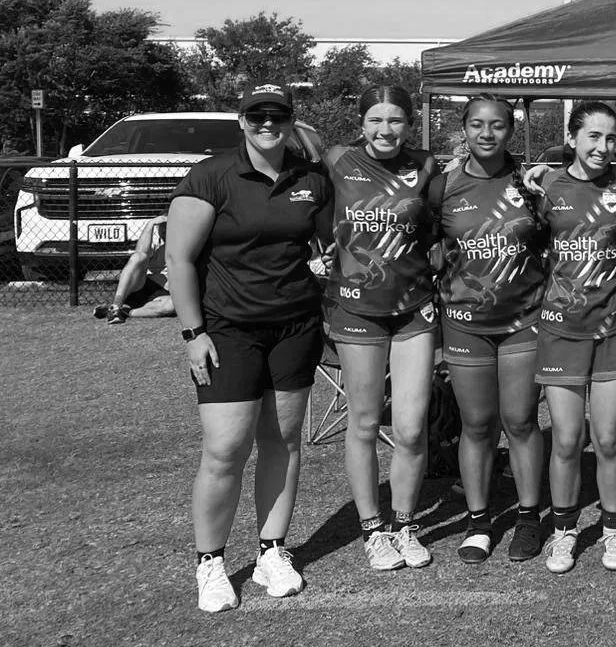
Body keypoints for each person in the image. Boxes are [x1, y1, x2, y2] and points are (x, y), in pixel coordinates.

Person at [166, 81, 333, 613]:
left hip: (295, 327)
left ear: (289, 121)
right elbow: (180, 261)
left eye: (278, 116)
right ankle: (210, 562)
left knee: (283, 440)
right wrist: (194, 334)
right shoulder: (211, 175)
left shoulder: (311, 179)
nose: (268, 124)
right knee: (225, 450)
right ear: (241, 121)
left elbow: (328, 242)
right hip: (228, 331)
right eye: (257, 115)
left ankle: (271, 551)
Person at [322, 86, 440, 571]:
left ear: (410, 125)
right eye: (375, 120)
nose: (385, 130)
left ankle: (405, 524)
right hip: (355, 309)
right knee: (365, 423)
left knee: (411, 428)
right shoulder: (337, 160)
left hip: (414, 309)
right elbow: (286, 139)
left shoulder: (429, 166)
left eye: (395, 120)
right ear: (361, 122)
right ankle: (372, 529)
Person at [427, 95, 548, 566]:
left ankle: (527, 517)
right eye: (477, 125)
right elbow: (424, 246)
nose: (486, 134)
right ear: (464, 129)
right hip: (465, 324)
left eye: (497, 126)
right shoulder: (443, 186)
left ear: (510, 132)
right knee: (476, 425)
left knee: (519, 421)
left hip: (523, 322)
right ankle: (479, 523)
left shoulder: (535, 185)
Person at [535, 101, 616, 574]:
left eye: (610, 138)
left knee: (607, 438)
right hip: (560, 329)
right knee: (566, 438)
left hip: (614, 328)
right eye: (594, 137)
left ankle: (613, 529)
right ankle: (563, 532)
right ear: (574, 137)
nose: (603, 147)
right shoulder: (546, 186)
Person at [94, 216, 174, 322]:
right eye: (161, 226)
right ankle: (117, 304)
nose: (164, 230)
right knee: (137, 257)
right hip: (144, 283)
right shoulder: (154, 240)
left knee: (172, 306)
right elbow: (140, 253)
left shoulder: (187, 241)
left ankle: (122, 311)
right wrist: (150, 224)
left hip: (166, 291)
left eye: (168, 226)